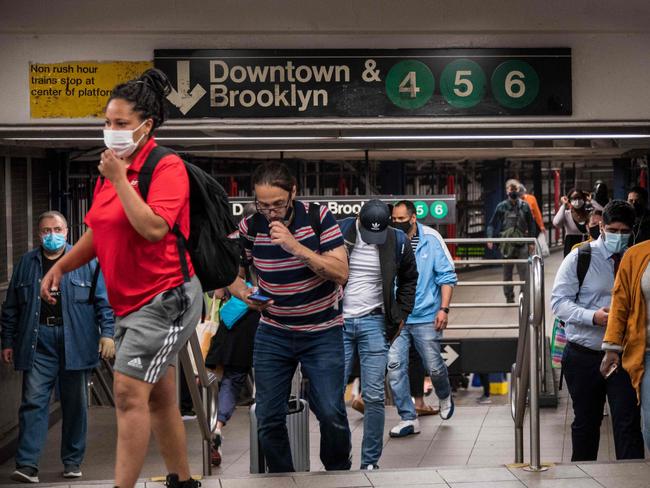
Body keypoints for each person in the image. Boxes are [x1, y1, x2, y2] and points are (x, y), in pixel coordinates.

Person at [39, 69, 203, 488]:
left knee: (129, 394)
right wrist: (61, 266)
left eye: (121, 124)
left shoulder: (166, 167)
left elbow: (153, 228)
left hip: (167, 296)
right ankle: (182, 481)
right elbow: (98, 232)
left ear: (146, 126)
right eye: (107, 122)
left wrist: (118, 179)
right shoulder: (112, 171)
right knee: (161, 396)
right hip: (129, 302)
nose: (110, 131)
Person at [227, 162, 352, 473]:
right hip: (274, 331)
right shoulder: (250, 227)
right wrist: (246, 296)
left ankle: (338, 473)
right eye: (263, 205)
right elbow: (230, 274)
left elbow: (341, 272)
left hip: (323, 331)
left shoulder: (318, 217)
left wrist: (296, 248)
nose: (271, 212)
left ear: (293, 193)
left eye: (278, 205)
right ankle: (286, 477)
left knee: (331, 412)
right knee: (268, 417)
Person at [1, 211, 115, 483]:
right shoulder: (26, 264)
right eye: (45, 230)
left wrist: (107, 334)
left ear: (67, 232)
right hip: (38, 341)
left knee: (75, 404)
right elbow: (12, 307)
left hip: (76, 341)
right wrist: (7, 340)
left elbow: (104, 301)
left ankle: (73, 461)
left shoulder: (87, 261)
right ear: (38, 234)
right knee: (33, 402)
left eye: (57, 229)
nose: (51, 235)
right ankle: (27, 465)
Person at [552, 200, 644, 461]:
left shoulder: (637, 261)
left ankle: (631, 477)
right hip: (584, 354)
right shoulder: (580, 257)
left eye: (625, 231)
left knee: (627, 424)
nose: (618, 236)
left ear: (633, 230)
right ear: (601, 227)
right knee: (586, 423)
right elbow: (558, 303)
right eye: (613, 230)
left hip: (625, 357)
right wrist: (594, 317)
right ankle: (581, 476)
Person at [338, 199, 418, 469]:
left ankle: (370, 462)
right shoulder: (338, 233)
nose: (374, 240)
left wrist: (401, 314)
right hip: (338, 322)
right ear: (358, 219)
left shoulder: (397, 241)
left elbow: (409, 278)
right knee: (331, 395)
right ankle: (338, 455)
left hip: (374, 321)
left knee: (373, 396)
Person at [388, 200, 458, 438]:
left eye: (401, 219)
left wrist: (444, 309)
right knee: (395, 368)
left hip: (427, 315)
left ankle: (444, 395)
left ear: (413, 218)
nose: (396, 223)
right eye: (394, 219)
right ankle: (408, 418)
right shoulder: (388, 241)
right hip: (397, 318)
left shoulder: (431, 238)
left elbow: (447, 275)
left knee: (435, 367)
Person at [486, 179, 536, 303]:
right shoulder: (501, 207)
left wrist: (531, 242)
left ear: (518, 191)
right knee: (507, 273)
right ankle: (509, 296)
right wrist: (490, 238)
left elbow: (531, 225)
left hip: (522, 243)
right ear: (507, 191)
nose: (513, 192)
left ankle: (524, 297)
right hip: (507, 245)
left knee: (523, 272)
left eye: (515, 190)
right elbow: (491, 224)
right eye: (511, 190)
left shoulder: (525, 206)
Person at [553, 189, 590, 256]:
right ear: (570, 200)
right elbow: (556, 223)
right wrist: (564, 205)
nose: (577, 201)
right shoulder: (567, 214)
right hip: (571, 251)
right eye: (574, 198)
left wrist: (591, 201)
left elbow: (602, 212)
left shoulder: (589, 215)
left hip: (587, 250)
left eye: (579, 197)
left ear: (583, 199)